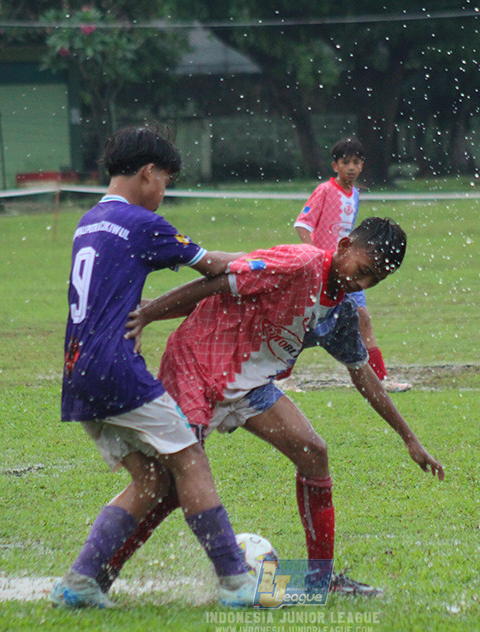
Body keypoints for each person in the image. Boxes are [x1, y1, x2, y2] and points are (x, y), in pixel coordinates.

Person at [105, 217, 445, 598]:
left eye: (374, 281)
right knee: (168, 487)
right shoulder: (299, 263)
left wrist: (409, 439)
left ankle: (320, 581)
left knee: (313, 452)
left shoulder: (340, 313)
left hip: (249, 385)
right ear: (345, 245)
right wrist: (149, 314)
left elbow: (362, 374)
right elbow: (217, 283)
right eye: (363, 271)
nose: (361, 284)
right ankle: (100, 573)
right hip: (198, 367)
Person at [50, 126, 258, 610]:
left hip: (77, 372)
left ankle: (81, 582)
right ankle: (235, 581)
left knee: (150, 481)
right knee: (190, 460)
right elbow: (215, 266)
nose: (163, 192)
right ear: (148, 173)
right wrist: (269, 260)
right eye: (164, 179)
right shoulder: (144, 224)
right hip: (115, 367)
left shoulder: (90, 220)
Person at [293, 137, 412, 392]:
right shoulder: (325, 190)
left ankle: (380, 379)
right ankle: (281, 375)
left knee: (363, 318)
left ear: (362, 166)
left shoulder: (355, 195)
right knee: (305, 322)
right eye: (345, 162)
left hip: (352, 270)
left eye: (356, 162)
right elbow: (302, 225)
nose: (351, 167)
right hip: (325, 269)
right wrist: (314, 256)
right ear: (334, 165)